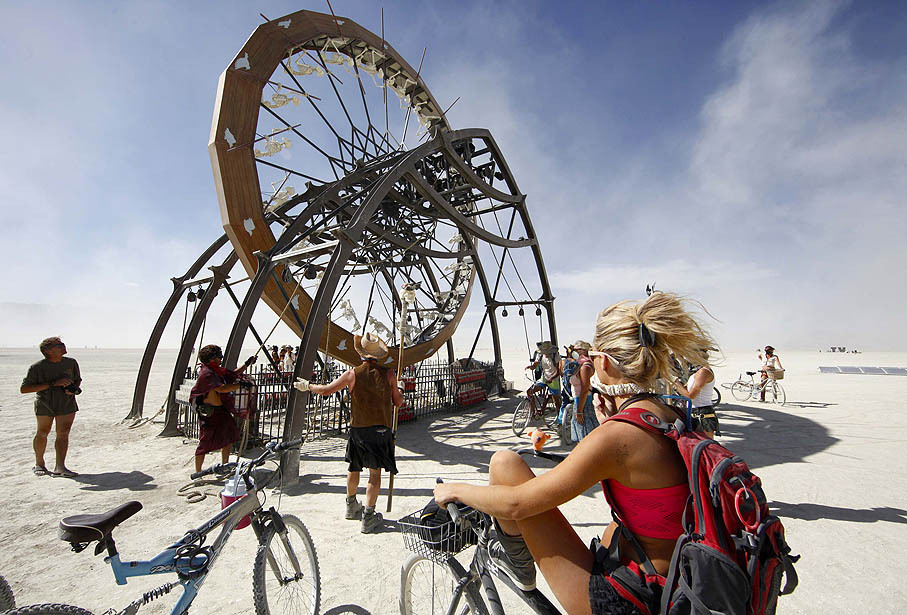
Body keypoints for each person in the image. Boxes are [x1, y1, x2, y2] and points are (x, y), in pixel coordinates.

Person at [434, 293, 716, 614]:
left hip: (636, 600)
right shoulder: (675, 411)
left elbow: (518, 503)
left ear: (604, 362)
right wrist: (613, 422)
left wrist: (453, 490)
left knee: (505, 464)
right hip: (684, 581)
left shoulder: (620, 436)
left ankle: (519, 568)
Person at [294, 333, 404, 534]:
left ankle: (351, 505)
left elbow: (326, 390)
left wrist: (307, 385)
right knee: (374, 474)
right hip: (380, 431)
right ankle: (368, 516)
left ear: (361, 353)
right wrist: (399, 389)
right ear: (378, 355)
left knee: (354, 468)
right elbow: (398, 402)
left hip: (358, 430)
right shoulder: (389, 374)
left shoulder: (352, 374)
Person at [20, 336, 82, 477]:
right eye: (59, 345)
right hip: (45, 403)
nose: (63, 346)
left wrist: (72, 388)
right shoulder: (37, 367)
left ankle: (60, 466)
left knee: (63, 433)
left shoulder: (71, 363)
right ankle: (39, 464)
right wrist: (53, 383)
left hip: (66, 403)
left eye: (62, 344)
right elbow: (24, 389)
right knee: (42, 432)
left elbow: (77, 380)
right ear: (48, 351)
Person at [190, 345, 256, 474]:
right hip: (210, 413)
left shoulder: (216, 371)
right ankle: (198, 472)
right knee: (205, 443)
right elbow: (221, 388)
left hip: (221, 411)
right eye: (218, 355)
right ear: (212, 358)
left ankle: (225, 466)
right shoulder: (207, 373)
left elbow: (233, 374)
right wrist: (240, 385)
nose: (221, 358)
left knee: (229, 438)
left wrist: (247, 364)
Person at [672, 358, 720, 438]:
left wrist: (676, 382)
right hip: (694, 412)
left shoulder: (703, 372)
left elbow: (690, 395)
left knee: (705, 446)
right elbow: (686, 389)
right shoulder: (699, 372)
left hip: (702, 414)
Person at [569, 340, 600, 441]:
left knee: (585, 436)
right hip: (582, 401)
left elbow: (584, 390)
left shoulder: (585, 367)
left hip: (583, 402)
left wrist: (579, 411)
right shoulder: (583, 365)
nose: (574, 352)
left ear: (582, 351)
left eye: (576, 350)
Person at [526, 341, 562, 412]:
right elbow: (535, 365)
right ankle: (533, 412)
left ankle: (560, 419)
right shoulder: (540, 355)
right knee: (530, 391)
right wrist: (531, 367)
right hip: (544, 378)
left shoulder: (555, 355)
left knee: (556, 402)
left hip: (553, 379)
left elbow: (558, 371)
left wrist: (552, 378)